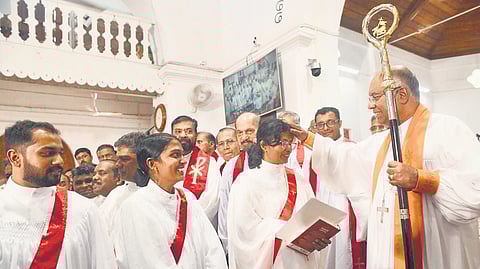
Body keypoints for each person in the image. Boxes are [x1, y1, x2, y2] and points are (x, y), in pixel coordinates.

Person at [291, 66, 480, 268]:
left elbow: (474, 187)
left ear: (402, 94)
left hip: (436, 251)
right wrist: (308, 138)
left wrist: (420, 179)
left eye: (375, 97)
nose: (369, 105)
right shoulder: (382, 141)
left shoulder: (448, 129)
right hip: (386, 252)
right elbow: (346, 158)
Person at [0, 120, 116, 268]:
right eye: (48, 153)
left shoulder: (83, 210)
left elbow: (104, 263)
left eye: (60, 153)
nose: (59, 161)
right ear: (15, 158)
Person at [113, 133, 227, 269]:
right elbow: (145, 260)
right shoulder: (135, 207)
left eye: (182, 155)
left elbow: (211, 248)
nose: (183, 161)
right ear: (151, 163)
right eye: (175, 155)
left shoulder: (187, 198)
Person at [227, 119, 328, 269]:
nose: (288, 149)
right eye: (282, 143)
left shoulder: (299, 180)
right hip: (273, 262)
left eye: (290, 143)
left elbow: (312, 218)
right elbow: (243, 233)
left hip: (301, 261)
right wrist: (288, 229)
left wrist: (317, 237)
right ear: (263, 145)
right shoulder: (245, 182)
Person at [304, 106, 366, 269]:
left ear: (340, 123)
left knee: (344, 255)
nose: (325, 128)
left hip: (346, 214)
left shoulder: (352, 149)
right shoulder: (311, 158)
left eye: (330, 122)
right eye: (320, 124)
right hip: (322, 215)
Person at [218, 112, 259, 255]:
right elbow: (225, 207)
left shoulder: (274, 159)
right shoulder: (232, 166)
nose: (244, 137)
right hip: (242, 242)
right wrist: (226, 245)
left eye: (249, 131)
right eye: (240, 133)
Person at [171, 115, 222, 224]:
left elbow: (211, 200)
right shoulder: (165, 161)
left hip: (199, 225)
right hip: (170, 225)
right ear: (172, 135)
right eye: (178, 131)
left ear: (195, 134)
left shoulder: (209, 162)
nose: (183, 135)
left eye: (188, 131)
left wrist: (187, 224)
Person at [100, 131, 147, 235]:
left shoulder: (161, 193)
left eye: (125, 159)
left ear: (143, 160)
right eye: (117, 159)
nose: (117, 165)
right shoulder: (115, 195)